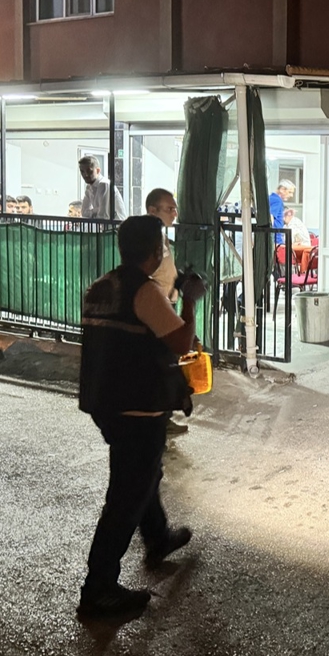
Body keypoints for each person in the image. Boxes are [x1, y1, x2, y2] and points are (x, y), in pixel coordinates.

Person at [76, 214, 204, 620]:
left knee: (143, 474)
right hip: (138, 405)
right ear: (155, 250)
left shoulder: (101, 286)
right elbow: (181, 341)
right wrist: (190, 300)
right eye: (162, 244)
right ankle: (98, 589)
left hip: (104, 401)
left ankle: (158, 537)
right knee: (126, 496)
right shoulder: (145, 292)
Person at [143, 188, 191, 437]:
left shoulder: (160, 236)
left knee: (165, 363)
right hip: (157, 306)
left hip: (165, 302)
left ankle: (164, 417)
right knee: (161, 363)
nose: (174, 213)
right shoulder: (149, 240)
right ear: (153, 211)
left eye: (175, 208)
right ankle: (159, 419)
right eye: (169, 209)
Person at [79, 156, 127, 221]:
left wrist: (93, 212)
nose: (85, 175)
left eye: (89, 171)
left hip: (117, 226)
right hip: (106, 226)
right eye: (82, 171)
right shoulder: (89, 187)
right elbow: (84, 213)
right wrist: (96, 210)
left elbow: (103, 216)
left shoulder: (104, 184)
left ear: (98, 171)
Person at [268, 180, 296, 245]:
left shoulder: (271, 198)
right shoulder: (277, 200)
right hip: (276, 239)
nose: (291, 195)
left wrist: (284, 218)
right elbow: (270, 217)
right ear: (282, 189)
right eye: (290, 192)